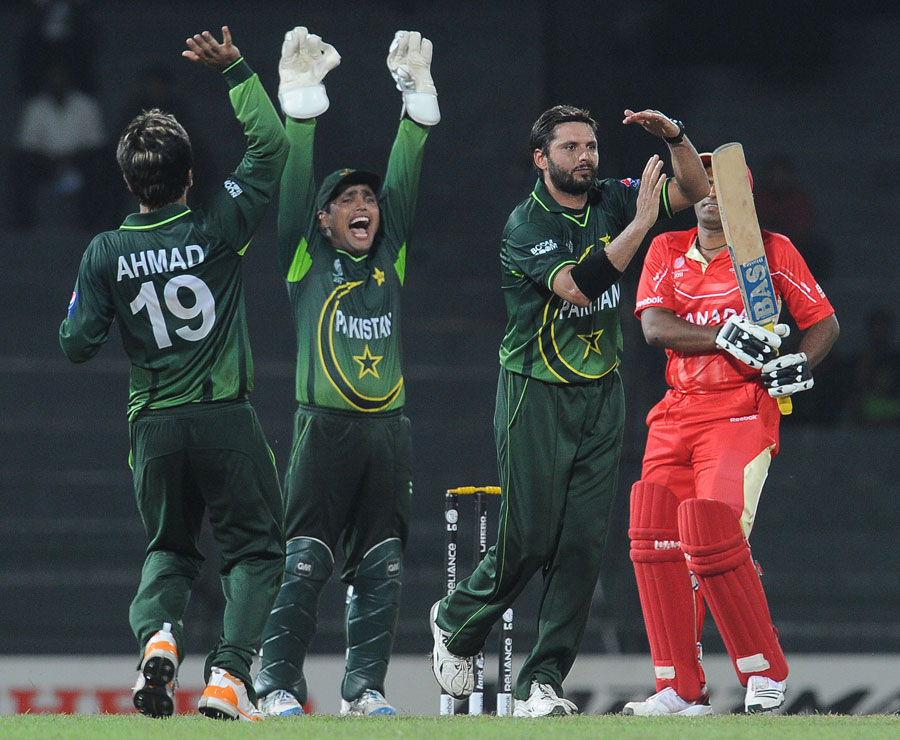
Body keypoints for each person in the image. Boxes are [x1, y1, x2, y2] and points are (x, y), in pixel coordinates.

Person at [429, 105, 710, 717]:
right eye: (570, 147)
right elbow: (579, 285)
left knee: (583, 545)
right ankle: (454, 620)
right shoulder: (526, 224)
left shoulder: (611, 196)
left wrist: (676, 136)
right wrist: (636, 229)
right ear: (541, 158)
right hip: (535, 390)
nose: (585, 156)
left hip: (601, 393)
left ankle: (542, 683)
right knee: (529, 537)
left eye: (591, 145)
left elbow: (695, 189)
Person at [58, 26, 288, 722]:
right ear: (190, 177)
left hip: (153, 425)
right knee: (255, 548)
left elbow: (75, 343)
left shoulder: (105, 250)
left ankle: (159, 636)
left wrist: (103, 303)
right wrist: (238, 71)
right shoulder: (218, 223)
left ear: (129, 182)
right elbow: (271, 149)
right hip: (223, 416)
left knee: (171, 549)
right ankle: (227, 678)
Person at [251, 27, 439, 718]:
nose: (365, 206)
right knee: (303, 560)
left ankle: (364, 692)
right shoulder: (303, 262)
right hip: (322, 431)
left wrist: (415, 106)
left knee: (384, 566)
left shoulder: (392, 259)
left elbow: (405, 180)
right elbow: (294, 189)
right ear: (323, 220)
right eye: (348, 200)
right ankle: (274, 686)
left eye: (370, 198)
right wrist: (301, 113)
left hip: (388, 435)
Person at [622, 152, 839, 716]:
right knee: (653, 537)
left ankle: (764, 672)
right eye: (705, 182)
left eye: (728, 185)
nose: (714, 193)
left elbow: (823, 322)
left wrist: (799, 365)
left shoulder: (772, 251)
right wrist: (722, 336)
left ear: (746, 195)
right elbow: (653, 326)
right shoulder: (667, 248)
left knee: (710, 536)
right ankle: (678, 688)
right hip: (675, 410)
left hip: (741, 410)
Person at [10, 61, 107, 230]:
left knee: (98, 164)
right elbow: (26, 145)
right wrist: (51, 160)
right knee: (21, 165)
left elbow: (95, 143)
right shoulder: (35, 106)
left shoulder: (86, 105)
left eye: (61, 78)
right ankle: (23, 224)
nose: (57, 83)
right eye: (53, 79)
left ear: (69, 81)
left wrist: (69, 159)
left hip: (78, 160)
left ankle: (91, 224)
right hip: (45, 163)